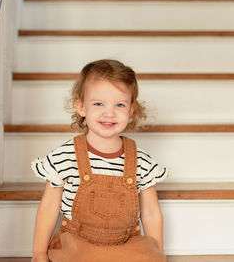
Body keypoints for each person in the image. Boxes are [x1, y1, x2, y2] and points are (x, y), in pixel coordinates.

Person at [31, 59, 170, 262]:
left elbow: (151, 212)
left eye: (119, 104)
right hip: (78, 245)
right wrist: (39, 253)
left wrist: (157, 253)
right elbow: (48, 208)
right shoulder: (65, 157)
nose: (109, 113)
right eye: (98, 104)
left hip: (125, 245)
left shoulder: (142, 162)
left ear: (131, 111)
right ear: (81, 107)